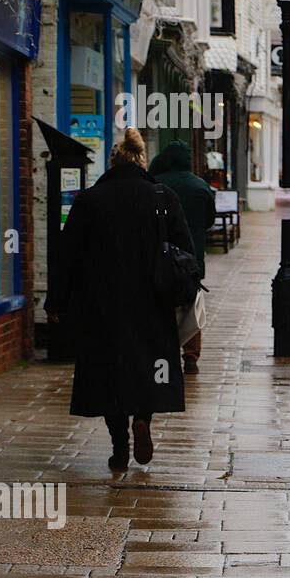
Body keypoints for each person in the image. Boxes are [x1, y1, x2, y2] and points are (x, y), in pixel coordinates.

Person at [45, 128, 194, 472]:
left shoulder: (89, 200)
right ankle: (143, 418)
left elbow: (66, 257)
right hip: (153, 302)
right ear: (142, 159)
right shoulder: (163, 196)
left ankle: (119, 447)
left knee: (110, 374)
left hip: (102, 304)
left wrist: (56, 302)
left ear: (112, 162)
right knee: (151, 367)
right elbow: (186, 251)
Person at [150, 140, 216, 375]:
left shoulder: (156, 185)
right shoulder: (201, 186)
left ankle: (163, 354)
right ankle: (190, 356)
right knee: (191, 307)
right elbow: (209, 220)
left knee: (162, 308)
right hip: (191, 257)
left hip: (160, 257)